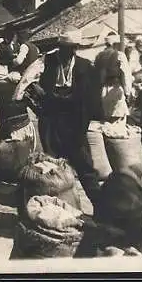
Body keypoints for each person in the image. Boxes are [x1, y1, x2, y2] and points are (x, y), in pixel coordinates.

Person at [36, 28, 101, 207]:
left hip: (74, 123)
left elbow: (87, 98)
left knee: (85, 166)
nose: (68, 52)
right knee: (52, 165)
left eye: (72, 48)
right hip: (52, 122)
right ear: (59, 47)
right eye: (65, 48)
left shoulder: (84, 66)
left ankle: (101, 207)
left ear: (76, 48)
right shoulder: (48, 62)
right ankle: (54, 204)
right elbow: (38, 86)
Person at [0, 28, 37, 145]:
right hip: (34, 75)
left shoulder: (24, 46)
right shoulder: (35, 47)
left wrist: (10, 61)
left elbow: (18, 61)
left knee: (17, 98)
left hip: (24, 75)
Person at [93, 32, 132, 123]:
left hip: (102, 90)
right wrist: (128, 93)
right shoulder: (120, 55)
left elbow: (95, 74)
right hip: (115, 89)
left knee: (105, 121)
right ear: (115, 43)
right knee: (117, 121)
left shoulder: (99, 56)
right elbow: (126, 75)